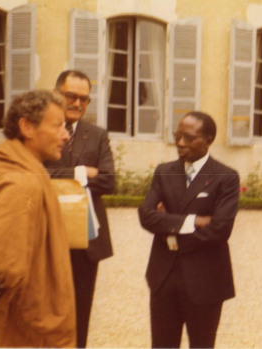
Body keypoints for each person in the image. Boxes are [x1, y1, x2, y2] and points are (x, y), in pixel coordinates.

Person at [0, 90, 75, 347]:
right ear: (27, 127)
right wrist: (6, 315)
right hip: (30, 330)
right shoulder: (20, 181)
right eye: (58, 126)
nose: (65, 135)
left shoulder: (15, 166)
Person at [138, 111, 239, 348]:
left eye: (189, 138)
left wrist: (168, 225)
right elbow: (146, 215)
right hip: (163, 277)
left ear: (208, 139)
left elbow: (220, 229)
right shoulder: (164, 172)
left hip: (205, 280)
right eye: (178, 136)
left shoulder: (225, 177)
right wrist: (193, 222)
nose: (181, 143)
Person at [44, 70, 115, 348]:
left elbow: (109, 181)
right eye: (71, 96)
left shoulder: (96, 135)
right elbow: (36, 174)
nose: (77, 103)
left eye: (84, 99)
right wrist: (83, 173)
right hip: (47, 237)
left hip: (87, 241)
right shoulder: (41, 129)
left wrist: (61, 174)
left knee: (80, 316)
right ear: (56, 93)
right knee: (45, 313)